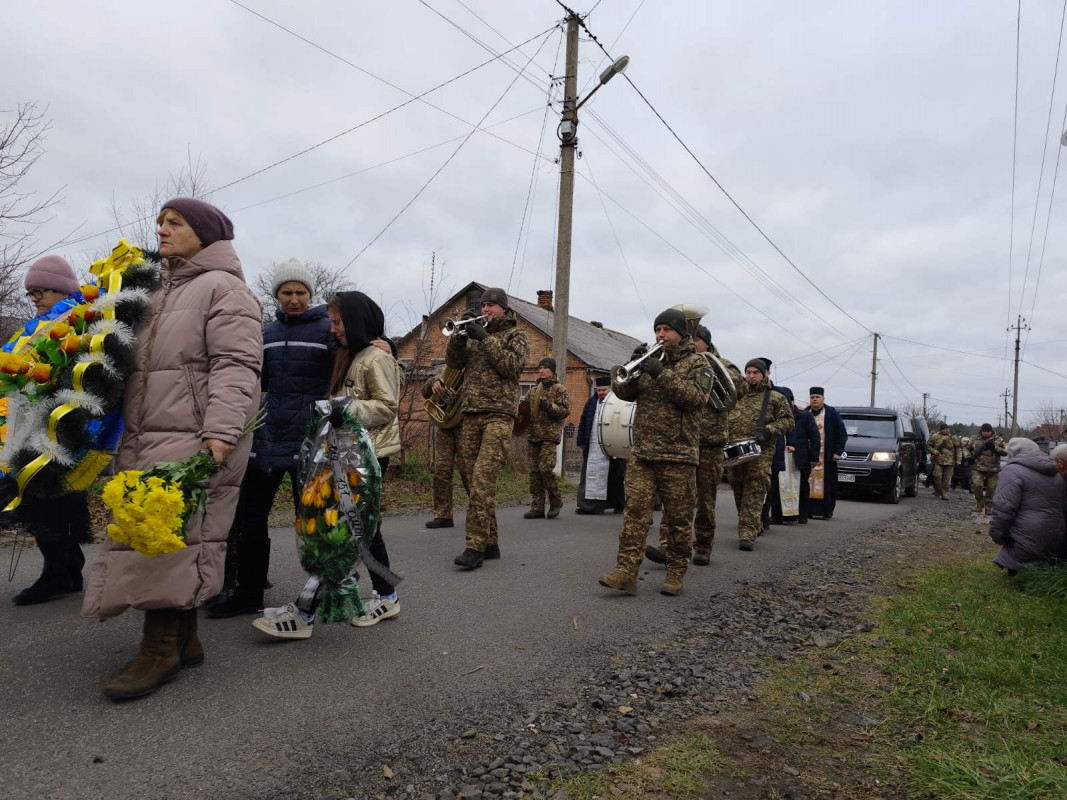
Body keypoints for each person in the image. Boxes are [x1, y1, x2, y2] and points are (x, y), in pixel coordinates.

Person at [82, 198, 262, 700]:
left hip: (196, 433)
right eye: (160, 221)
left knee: (166, 535)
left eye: (174, 222)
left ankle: (158, 648)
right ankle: (185, 638)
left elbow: (237, 365)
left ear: (203, 233)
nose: (161, 229)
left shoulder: (225, 290)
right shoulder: (154, 293)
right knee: (165, 530)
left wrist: (222, 432)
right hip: (146, 431)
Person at [253, 291, 403, 638]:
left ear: (355, 321)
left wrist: (342, 408)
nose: (332, 328)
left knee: (341, 530)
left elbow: (386, 405)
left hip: (367, 457)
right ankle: (387, 594)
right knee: (357, 529)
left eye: (337, 322)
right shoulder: (352, 356)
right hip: (346, 455)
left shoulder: (373, 358)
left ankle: (305, 614)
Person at [204, 260, 335, 618]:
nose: (294, 299)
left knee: (313, 522)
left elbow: (358, 354)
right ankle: (248, 593)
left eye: (301, 293)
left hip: (311, 440)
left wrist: (383, 343)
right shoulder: (266, 333)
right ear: (277, 295)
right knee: (249, 518)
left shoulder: (328, 331)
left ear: (310, 295)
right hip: (267, 438)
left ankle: (320, 595)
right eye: (287, 292)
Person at [598, 309, 712, 596]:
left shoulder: (698, 364)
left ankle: (675, 573)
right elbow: (623, 393)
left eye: (666, 330)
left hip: (679, 455)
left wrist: (660, 374)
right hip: (644, 453)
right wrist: (630, 367)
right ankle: (626, 572)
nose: (660, 335)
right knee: (634, 514)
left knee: (677, 518)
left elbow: (696, 399)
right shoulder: (650, 361)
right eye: (657, 330)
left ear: (680, 333)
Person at [6, 256, 94, 605]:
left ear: (61, 289)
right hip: (31, 421)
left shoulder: (76, 319)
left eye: (39, 291)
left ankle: (58, 572)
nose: (35, 298)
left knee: (48, 496)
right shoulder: (35, 327)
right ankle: (67, 567)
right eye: (30, 294)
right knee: (53, 496)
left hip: (59, 421)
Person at [646, 325, 742, 565]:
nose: (691, 343)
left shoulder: (721, 363)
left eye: (696, 339)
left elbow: (740, 388)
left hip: (709, 442)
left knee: (705, 499)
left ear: (706, 344)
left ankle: (703, 545)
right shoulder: (678, 363)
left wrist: (713, 368)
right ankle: (668, 545)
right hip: (682, 440)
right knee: (674, 497)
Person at [448, 288, 528, 569]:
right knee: (471, 482)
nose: (486, 309)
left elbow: (511, 367)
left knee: (483, 482)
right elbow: (454, 363)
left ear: (504, 309)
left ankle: (474, 546)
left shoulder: (516, 336)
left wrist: (486, 339)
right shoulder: (474, 334)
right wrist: (459, 337)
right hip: (470, 415)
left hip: (499, 416)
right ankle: (491, 542)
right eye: (483, 305)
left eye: (491, 305)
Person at [726, 359, 794, 550]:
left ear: (764, 374)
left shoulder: (774, 398)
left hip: (760, 451)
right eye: (748, 372)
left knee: (754, 490)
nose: (751, 376)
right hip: (734, 451)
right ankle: (753, 523)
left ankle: (747, 534)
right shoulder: (736, 396)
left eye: (755, 372)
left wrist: (770, 429)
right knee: (738, 489)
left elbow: (789, 421)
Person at [987, 438, 1066, 574]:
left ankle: (1019, 572)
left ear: (1013, 453)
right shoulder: (1055, 473)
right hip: (1055, 539)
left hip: (1026, 542)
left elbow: (1003, 509)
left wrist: (999, 536)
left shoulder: (1012, 471)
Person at [524, 357, 570, 519]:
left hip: (549, 436)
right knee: (534, 472)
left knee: (545, 469)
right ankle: (537, 506)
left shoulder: (559, 389)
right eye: (540, 368)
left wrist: (549, 407)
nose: (541, 371)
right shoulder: (532, 391)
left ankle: (555, 500)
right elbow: (525, 412)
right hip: (533, 435)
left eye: (545, 368)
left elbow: (564, 412)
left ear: (552, 371)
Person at [421, 368, 466, 529]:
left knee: (468, 472)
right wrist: (434, 383)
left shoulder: (477, 367)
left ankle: (479, 512)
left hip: (467, 426)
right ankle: (443, 514)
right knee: (441, 471)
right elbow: (425, 391)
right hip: (445, 426)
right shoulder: (450, 368)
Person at [575, 376, 626, 514]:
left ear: (610, 389)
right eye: (598, 390)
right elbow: (584, 421)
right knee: (589, 476)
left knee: (615, 477)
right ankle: (589, 506)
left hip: (613, 445)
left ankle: (618, 504)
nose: (601, 393)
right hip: (593, 446)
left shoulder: (618, 402)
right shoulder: (591, 403)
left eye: (604, 390)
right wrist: (580, 441)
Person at [806, 387, 847, 519]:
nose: (814, 400)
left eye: (817, 397)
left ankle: (826, 511)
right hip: (809, 457)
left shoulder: (831, 413)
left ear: (823, 398)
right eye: (812, 397)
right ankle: (808, 511)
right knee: (807, 483)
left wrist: (837, 452)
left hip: (827, 457)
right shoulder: (805, 413)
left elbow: (842, 434)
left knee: (828, 486)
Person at [786, 394, 821, 525]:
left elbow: (815, 437)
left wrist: (813, 457)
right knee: (780, 487)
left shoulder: (805, 415)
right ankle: (780, 515)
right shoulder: (777, 414)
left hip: (800, 458)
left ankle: (802, 514)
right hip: (782, 457)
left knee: (801, 487)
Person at [970, 423, 1007, 517]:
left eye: (988, 432)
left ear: (991, 431)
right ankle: (979, 503)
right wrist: (968, 457)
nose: (986, 433)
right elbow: (966, 448)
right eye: (984, 431)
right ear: (981, 431)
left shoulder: (999, 440)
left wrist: (994, 447)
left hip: (993, 468)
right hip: (978, 467)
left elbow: (1005, 452)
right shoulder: (974, 439)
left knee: (991, 488)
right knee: (977, 485)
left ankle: (988, 507)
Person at [927, 422, 959, 500]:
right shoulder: (935, 436)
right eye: (945, 429)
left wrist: (958, 460)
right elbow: (928, 445)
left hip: (950, 461)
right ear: (941, 430)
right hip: (938, 461)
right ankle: (938, 490)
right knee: (937, 477)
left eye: (948, 429)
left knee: (947, 480)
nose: (947, 431)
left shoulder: (953, 438)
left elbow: (958, 449)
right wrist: (933, 451)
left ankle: (945, 494)